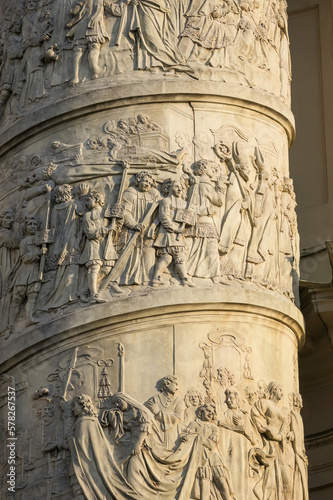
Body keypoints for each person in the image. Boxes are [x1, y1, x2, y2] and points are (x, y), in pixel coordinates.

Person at [152, 177, 194, 287]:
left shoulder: (184, 204)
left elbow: (190, 218)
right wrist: (175, 229)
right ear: (169, 188)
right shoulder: (166, 201)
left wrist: (189, 218)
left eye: (181, 188)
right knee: (173, 256)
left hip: (179, 235)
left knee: (170, 257)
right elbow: (164, 217)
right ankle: (184, 279)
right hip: (168, 234)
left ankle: (158, 278)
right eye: (176, 187)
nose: (179, 189)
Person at [7, 216, 45, 333]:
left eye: (34, 224)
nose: (32, 226)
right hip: (24, 272)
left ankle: (30, 318)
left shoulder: (40, 238)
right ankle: (10, 326)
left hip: (35, 271)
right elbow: (25, 258)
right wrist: (39, 252)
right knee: (17, 299)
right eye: (30, 224)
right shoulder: (24, 241)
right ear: (26, 227)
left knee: (32, 296)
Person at [144, 375, 184, 451]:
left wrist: (158, 413)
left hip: (172, 434)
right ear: (168, 384)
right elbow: (146, 415)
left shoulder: (179, 401)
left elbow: (179, 417)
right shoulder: (154, 399)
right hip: (157, 433)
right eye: (175, 384)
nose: (177, 387)